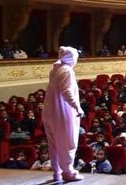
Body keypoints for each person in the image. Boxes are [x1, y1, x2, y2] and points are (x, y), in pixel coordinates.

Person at [42, 46, 84, 182]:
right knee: (67, 142)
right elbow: (67, 92)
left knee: (53, 144)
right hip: (62, 112)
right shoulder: (67, 71)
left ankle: (57, 172)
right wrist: (77, 107)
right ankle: (68, 172)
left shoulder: (55, 69)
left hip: (50, 111)